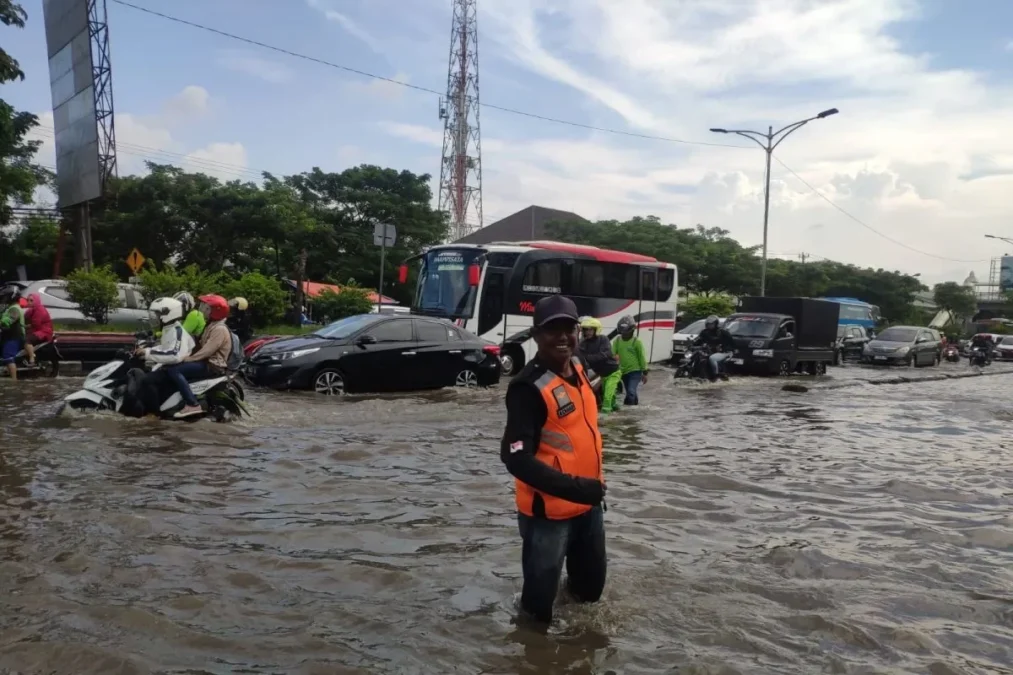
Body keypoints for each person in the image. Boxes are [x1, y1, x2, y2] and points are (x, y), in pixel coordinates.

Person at [500, 295, 607, 625]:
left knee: (589, 595)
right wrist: (576, 488)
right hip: (548, 516)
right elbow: (515, 457)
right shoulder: (526, 388)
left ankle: (577, 652)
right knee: (537, 610)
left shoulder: (579, 366)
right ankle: (532, 656)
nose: (562, 337)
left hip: (588, 507)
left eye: (568, 328)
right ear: (535, 335)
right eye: (552, 329)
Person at [166, 294, 232, 418]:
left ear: (216, 312)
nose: (203, 310)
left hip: (212, 365)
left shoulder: (219, 329)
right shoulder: (211, 325)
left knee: (174, 371)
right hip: (205, 362)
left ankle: (192, 404)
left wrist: (190, 359)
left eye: (207, 308)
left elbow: (207, 350)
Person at [131, 297, 195, 414]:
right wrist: (146, 350)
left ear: (169, 314)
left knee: (147, 380)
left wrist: (147, 353)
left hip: (176, 365)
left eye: (158, 313)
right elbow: (164, 348)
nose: (155, 316)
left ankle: (154, 414)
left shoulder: (177, 331)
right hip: (170, 365)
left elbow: (174, 354)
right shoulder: (168, 328)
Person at [577, 316, 621, 413]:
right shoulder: (583, 344)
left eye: (590, 330)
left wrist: (588, 358)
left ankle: (605, 421)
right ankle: (617, 412)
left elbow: (606, 354)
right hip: (602, 375)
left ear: (596, 329)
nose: (587, 332)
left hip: (613, 372)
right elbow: (578, 356)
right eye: (585, 330)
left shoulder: (603, 339)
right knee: (610, 396)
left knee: (607, 397)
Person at [612, 316, 648, 405]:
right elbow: (612, 354)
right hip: (623, 371)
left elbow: (642, 357)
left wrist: (645, 372)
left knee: (631, 391)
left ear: (632, 330)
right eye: (622, 332)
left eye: (625, 332)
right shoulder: (617, 341)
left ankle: (629, 411)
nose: (623, 334)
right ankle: (634, 409)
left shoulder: (636, 342)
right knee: (629, 392)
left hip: (635, 371)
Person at [692, 315, 736, 382]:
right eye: (709, 324)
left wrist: (725, 348)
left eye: (712, 324)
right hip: (709, 351)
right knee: (698, 356)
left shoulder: (722, 332)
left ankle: (717, 375)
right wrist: (692, 344)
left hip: (724, 352)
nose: (710, 325)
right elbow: (699, 340)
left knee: (712, 358)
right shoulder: (704, 332)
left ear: (716, 324)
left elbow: (732, 343)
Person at [22, 293, 53, 366]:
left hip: (43, 331)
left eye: (31, 300)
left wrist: (25, 327)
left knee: (27, 340)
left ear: (36, 301)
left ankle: (32, 358)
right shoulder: (32, 309)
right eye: (28, 300)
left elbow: (36, 324)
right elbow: (25, 317)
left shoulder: (40, 310)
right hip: (36, 330)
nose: (29, 302)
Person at [0, 299, 26, 380]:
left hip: (14, 336)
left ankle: (14, 382)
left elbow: (9, 320)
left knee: (8, 356)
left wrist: (2, 323)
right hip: (11, 335)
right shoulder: (10, 307)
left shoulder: (14, 308)